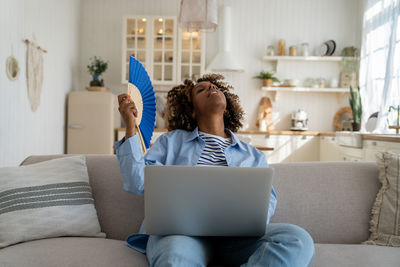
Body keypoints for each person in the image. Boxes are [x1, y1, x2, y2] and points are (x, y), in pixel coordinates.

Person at [115, 74, 315, 267]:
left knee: (298, 240)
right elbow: (137, 182)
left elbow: (266, 203)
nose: (212, 87)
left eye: (216, 87)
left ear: (227, 109)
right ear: (192, 110)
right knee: (174, 257)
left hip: (238, 239)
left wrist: (246, 220)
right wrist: (130, 127)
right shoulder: (171, 142)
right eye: (201, 90)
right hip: (182, 235)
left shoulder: (253, 155)